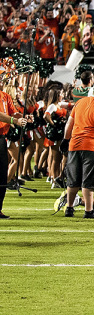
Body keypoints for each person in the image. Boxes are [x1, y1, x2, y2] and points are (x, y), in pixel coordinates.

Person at [63, 81, 94, 219]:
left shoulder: (80, 102)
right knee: (88, 180)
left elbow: (69, 124)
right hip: (92, 146)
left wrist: (65, 140)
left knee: (73, 179)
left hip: (74, 144)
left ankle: (69, 208)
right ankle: (89, 210)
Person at [0, 81, 28, 219]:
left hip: (2, 137)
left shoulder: (5, 96)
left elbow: (14, 113)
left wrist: (23, 118)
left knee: (2, 174)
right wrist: (14, 121)